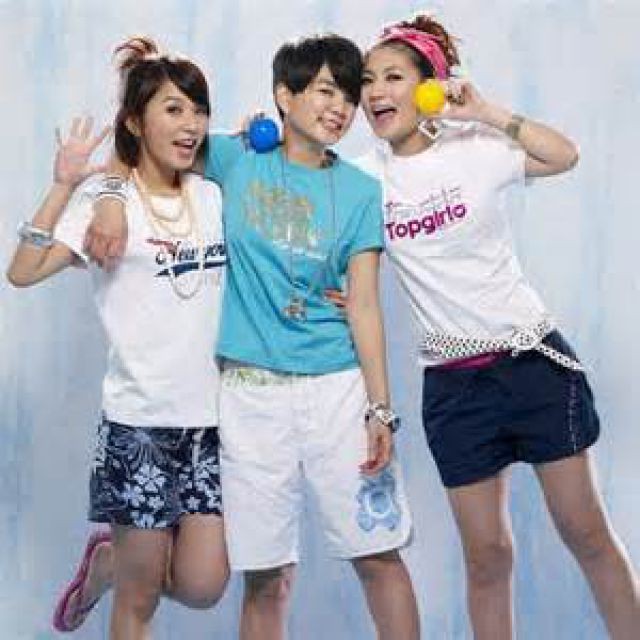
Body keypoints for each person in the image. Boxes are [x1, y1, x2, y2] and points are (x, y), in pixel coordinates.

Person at [82, 33, 420, 640]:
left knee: (378, 557)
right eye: (325, 91)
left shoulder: (361, 190)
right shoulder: (237, 159)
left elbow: (365, 304)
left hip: (337, 388)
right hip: (248, 397)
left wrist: (380, 408)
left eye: (348, 95)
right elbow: (142, 141)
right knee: (267, 577)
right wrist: (109, 198)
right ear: (284, 97)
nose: (341, 108)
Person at [358, 13, 640, 640]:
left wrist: (484, 112)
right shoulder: (365, 180)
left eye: (394, 76)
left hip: (534, 365)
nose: (376, 91)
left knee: (586, 532)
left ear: (429, 85)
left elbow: (564, 154)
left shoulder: (475, 150)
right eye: (367, 80)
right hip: (453, 389)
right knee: (487, 557)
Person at [7, 37, 229, 637]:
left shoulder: (211, 195)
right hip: (139, 422)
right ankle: (114, 570)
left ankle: (107, 561)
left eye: (199, 110)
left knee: (205, 585)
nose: (191, 125)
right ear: (135, 121)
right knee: (140, 596)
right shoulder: (105, 201)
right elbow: (23, 272)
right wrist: (64, 186)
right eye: (174, 109)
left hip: (212, 422)